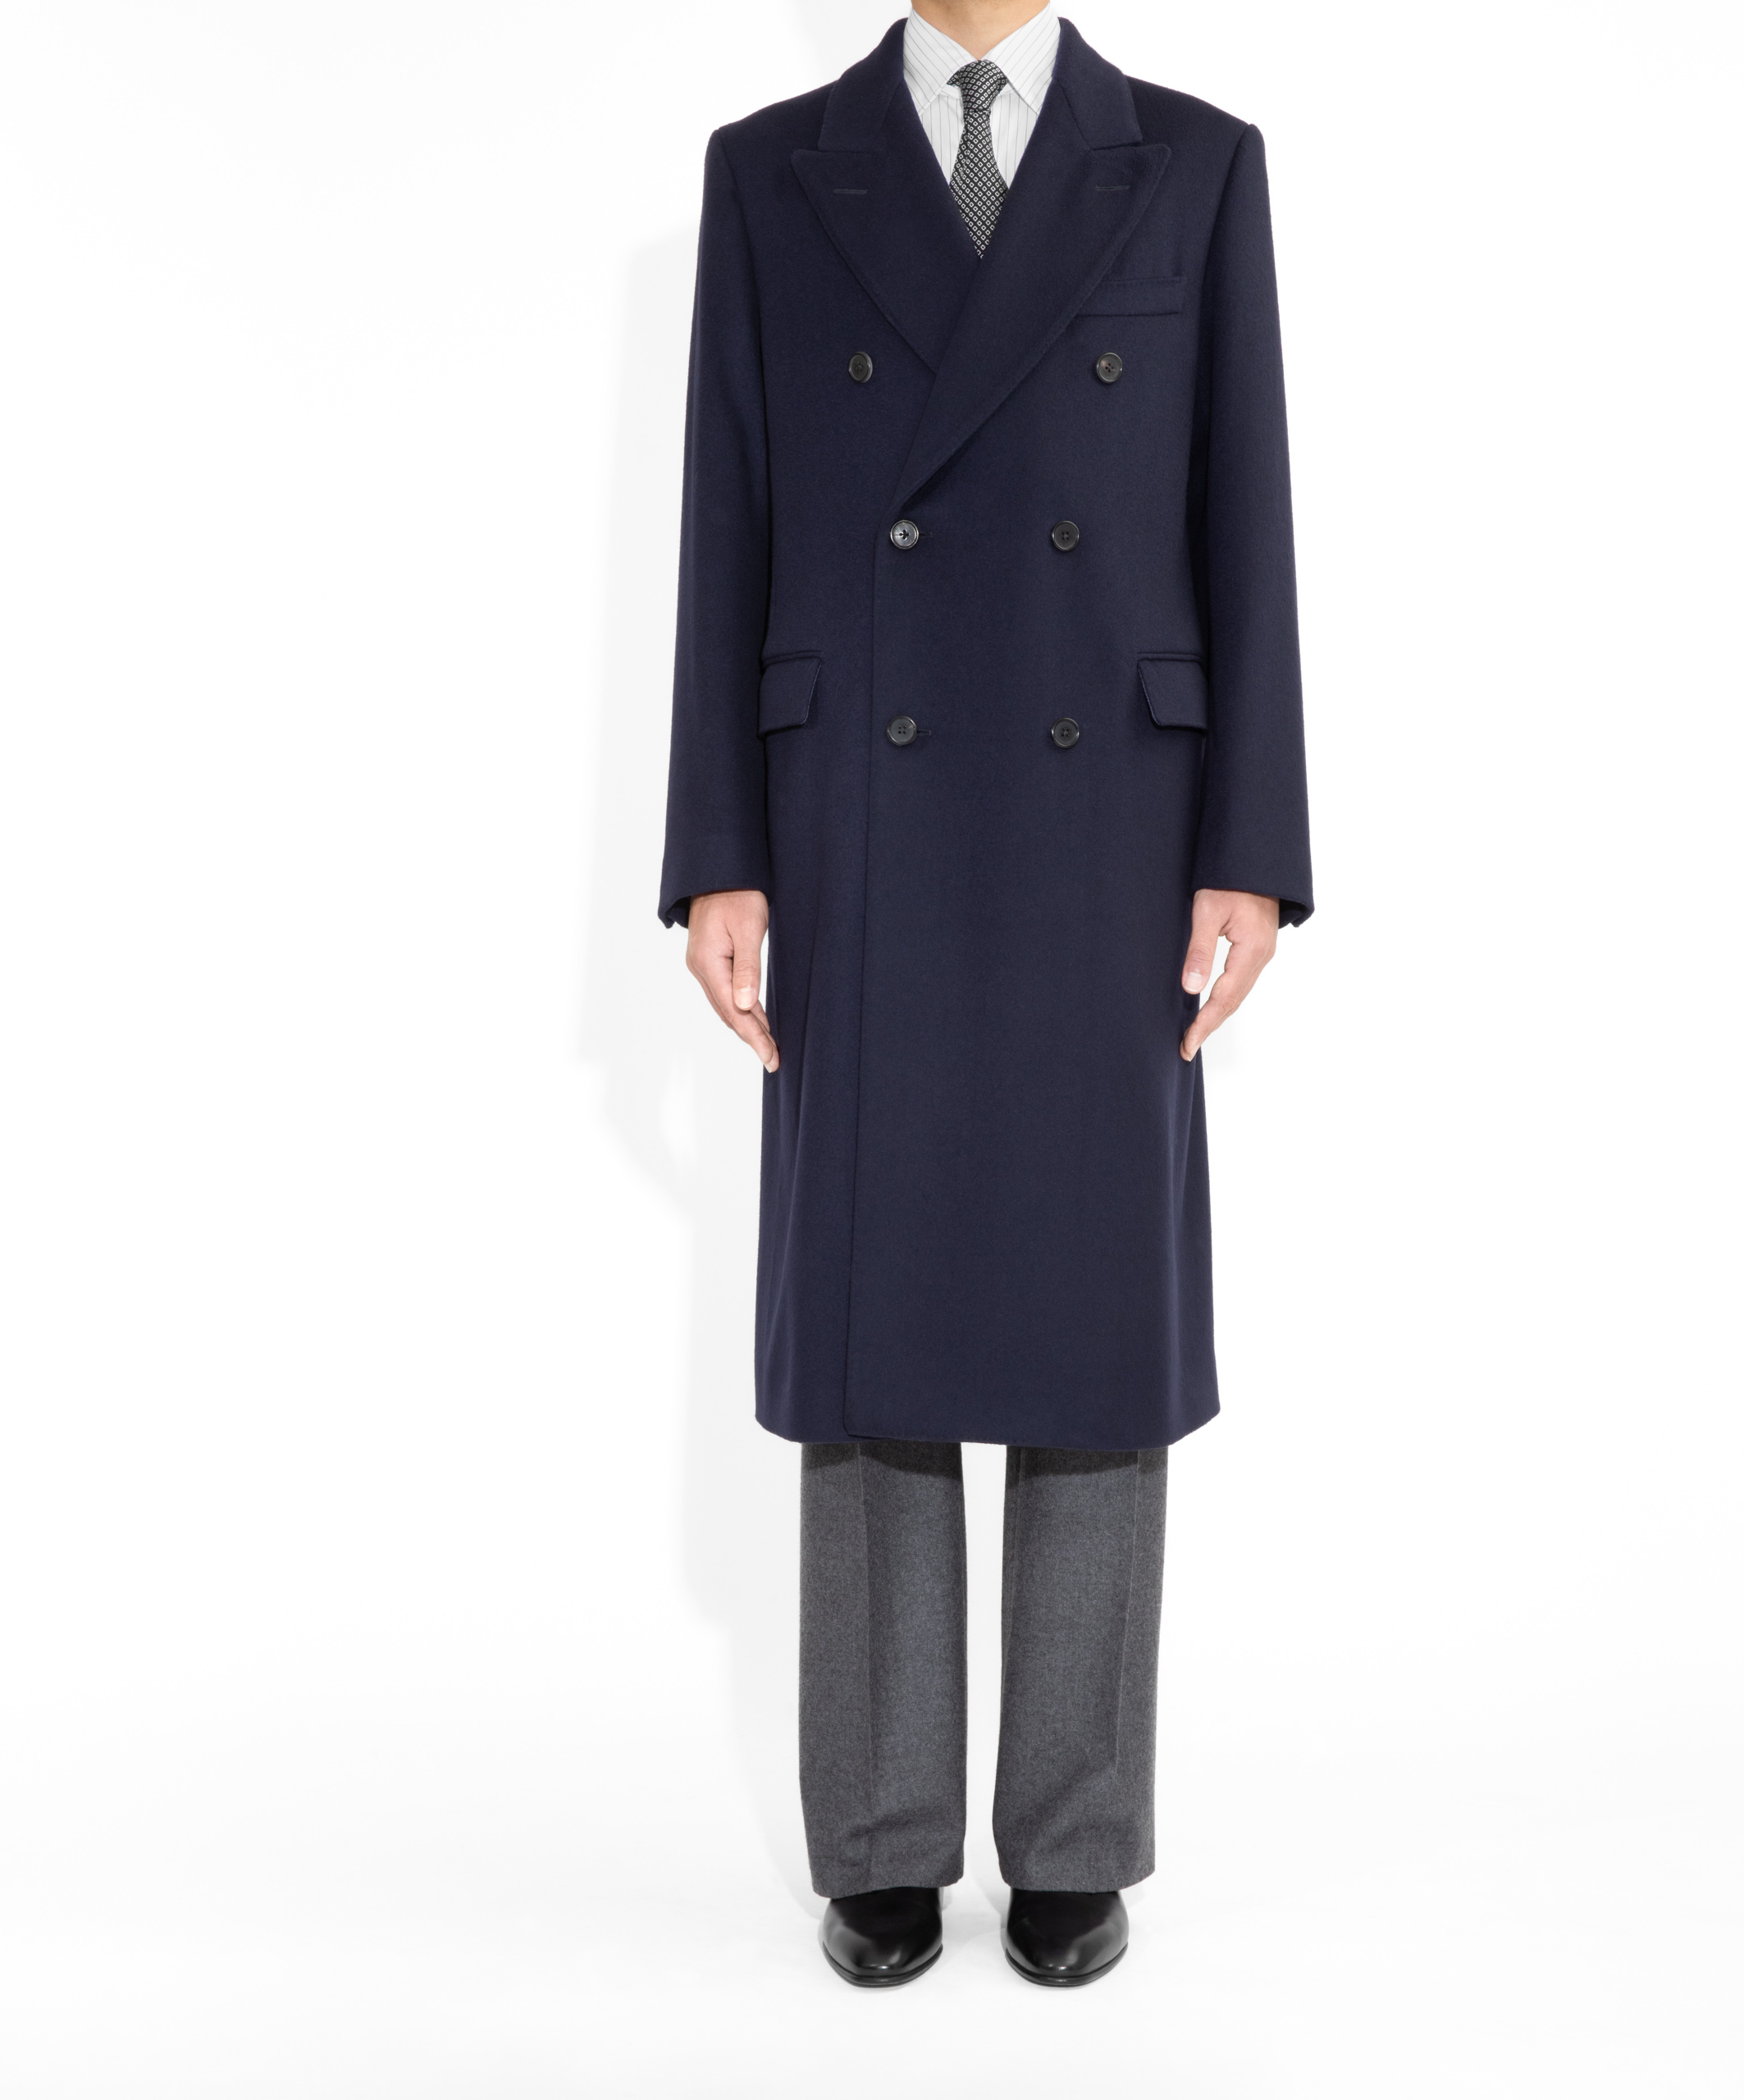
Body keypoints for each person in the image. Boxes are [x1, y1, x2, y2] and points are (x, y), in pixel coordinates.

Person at [658, 0, 1310, 1988]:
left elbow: (1244, 518)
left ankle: (1073, 1833)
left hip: (1107, 819)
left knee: (1088, 1322)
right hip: (854, 807)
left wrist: (1253, 841)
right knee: (874, 1323)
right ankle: (876, 1833)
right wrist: (716, 847)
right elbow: (726, 518)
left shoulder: (1193, 162)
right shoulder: (770, 169)